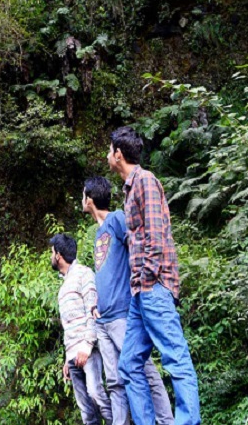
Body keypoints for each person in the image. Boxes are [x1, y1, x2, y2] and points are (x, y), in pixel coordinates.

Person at [108, 126, 201, 425]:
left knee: (176, 358)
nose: (107, 156)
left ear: (118, 154)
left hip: (153, 286)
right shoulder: (129, 189)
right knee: (129, 364)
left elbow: (157, 236)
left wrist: (147, 276)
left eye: (109, 151)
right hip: (140, 291)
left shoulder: (145, 181)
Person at [82, 176, 173, 425]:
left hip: (123, 313)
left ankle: (167, 421)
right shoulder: (99, 232)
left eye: (83, 195)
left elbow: (137, 252)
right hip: (103, 318)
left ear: (89, 199)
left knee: (144, 370)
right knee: (115, 381)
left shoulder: (118, 219)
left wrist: (139, 294)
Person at [51, 233, 113, 425]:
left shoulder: (84, 274)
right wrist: (67, 359)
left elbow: (93, 311)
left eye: (51, 252)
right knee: (86, 411)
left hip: (87, 349)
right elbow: (69, 325)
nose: (50, 257)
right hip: (73, 354)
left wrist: (87, 346)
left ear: (59, 254)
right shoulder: (64, 286)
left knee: (97, 395)